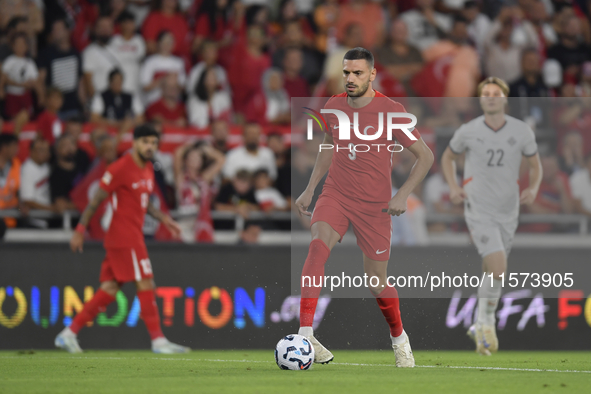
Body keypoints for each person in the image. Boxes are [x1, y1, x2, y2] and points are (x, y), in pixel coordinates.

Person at [294, 47, 434, 367]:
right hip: (337, 194)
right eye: (346, 72)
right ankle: (305, 333)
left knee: (376, 281)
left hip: (375, 206)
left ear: (372, 74)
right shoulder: (333, 105)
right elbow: (329, 145)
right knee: (317, 247)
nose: (350, 78)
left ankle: (399, 339)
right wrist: (310, 188)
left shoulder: (391, 110)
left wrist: (402, 195)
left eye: (358, 73)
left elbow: (425, 156)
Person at [55, 124, 189, 354]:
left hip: (130, 235)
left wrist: (164, 219)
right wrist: (79, 229)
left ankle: (68, 334)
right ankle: (158, 341)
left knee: (109, 288)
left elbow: (144, 203)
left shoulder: (147, 169)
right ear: (135, 142)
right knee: (146, 282)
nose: (150, 147)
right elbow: (97, 199)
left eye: (154, 143)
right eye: (145, 142)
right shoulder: (120, 167)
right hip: (124, 236)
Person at [440, 76, 543, 356]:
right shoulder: (468, 131)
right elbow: (447, 157)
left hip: (509, 210)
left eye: (496, 93)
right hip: (479, 207)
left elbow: (535, 166)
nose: (490, 97)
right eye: (485, 93)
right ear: (480, 99)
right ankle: (486, 321)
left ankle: (478, 323)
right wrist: (453, 186)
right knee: (498, 267)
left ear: (505, 98)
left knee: (491, 269)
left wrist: (533, 188)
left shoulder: (521, 131)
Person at [175, 142, 225, 243]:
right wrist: (192, 145)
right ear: (186, 160)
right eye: (192, 157)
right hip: (185, 221)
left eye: (198, 157)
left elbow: (221, 159)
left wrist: (206, 150)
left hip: (202, 220)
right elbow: (177, 155)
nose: (195, 160)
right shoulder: (181, 178)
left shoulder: (204, 178)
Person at [0, 133, 21, 229]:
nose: (17, 149)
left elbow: (19, 192)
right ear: (4, 147)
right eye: (14, 146)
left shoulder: (17, 164)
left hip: (10, 221)